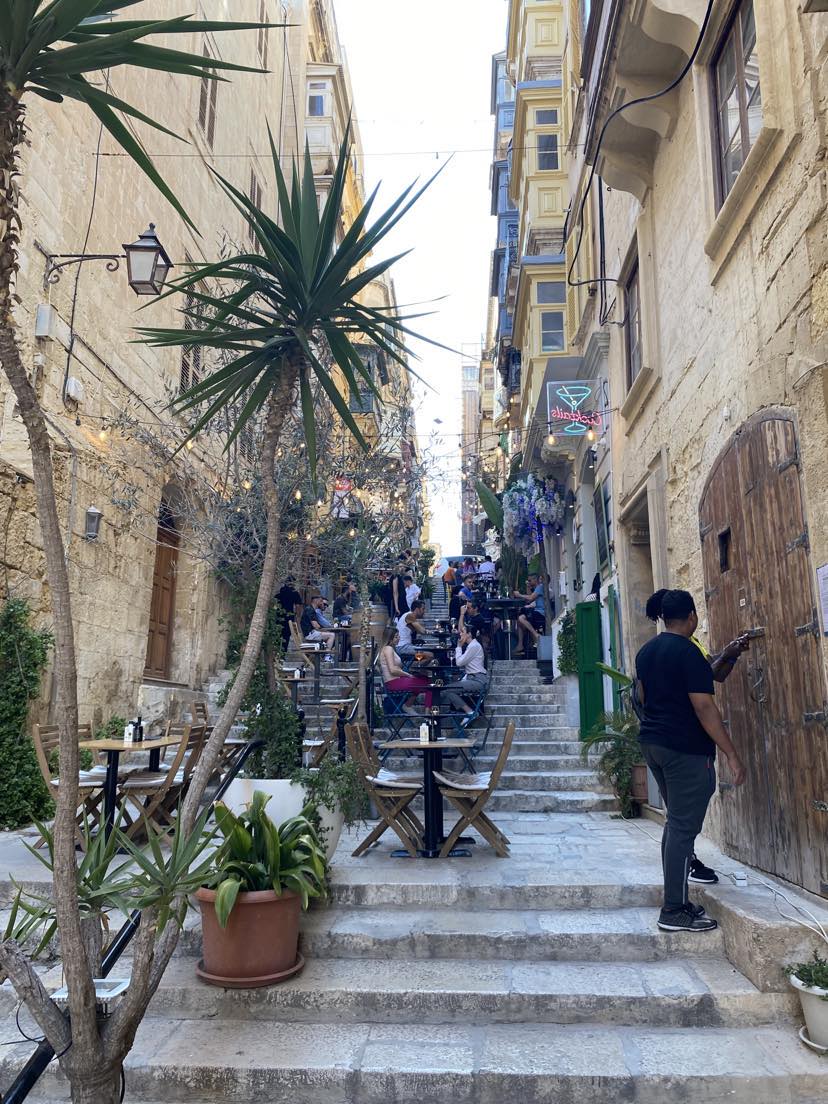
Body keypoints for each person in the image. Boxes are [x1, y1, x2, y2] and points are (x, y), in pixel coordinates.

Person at [635, 589, 746, 933]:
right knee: (683, 829)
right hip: (685, 750)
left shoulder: (646, 652)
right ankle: (673, 910)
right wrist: (731, 754)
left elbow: (642, 697)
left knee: (675, 825)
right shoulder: (689, 653)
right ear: (692, 617)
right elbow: (704, 707)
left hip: (653, 745)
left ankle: (677, 902)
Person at [379, 627, 432, 713]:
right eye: (396, 637)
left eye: (398, 636)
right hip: (393, 683)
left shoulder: (390, 649)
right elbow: (392, 670)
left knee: (424, 679)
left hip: (396, 680)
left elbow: (396, 668)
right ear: (390, 638)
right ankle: (427, 715)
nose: (399, 638)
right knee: (430, 685)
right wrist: (408, 675)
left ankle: (408, 705)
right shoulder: (388, 649)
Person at [443, 626, 488, 726]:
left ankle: (469, 712)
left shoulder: (474, 646)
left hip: (477, 680)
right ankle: (467, 711)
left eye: (463, 632)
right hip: (472, 678)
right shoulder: (471, 646)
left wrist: (459, 647)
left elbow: (459, 662)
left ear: (469, 634)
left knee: (447, 689)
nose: (460, 634)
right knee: (447, 689)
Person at [513, 574, 545, 654]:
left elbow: (530, 597)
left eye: (530, 580)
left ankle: (535, 635)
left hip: (541, 612)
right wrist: (528, 587)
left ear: (535, 579)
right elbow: (529, 599)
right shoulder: (536, 588)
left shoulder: (540, 587)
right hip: (536, 611)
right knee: (519, 621)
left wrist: (519, 595)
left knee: (521, 618)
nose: (528, 582)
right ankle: (521, 645)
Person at [276, 575, 303, 652]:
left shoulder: (280, 592)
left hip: (278, 616)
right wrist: (298, 616)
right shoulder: (294, 593)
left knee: (278, 634)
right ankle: (283, 652)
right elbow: (298, 606)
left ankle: (278, 651)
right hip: (289, 617)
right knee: (286, 635)